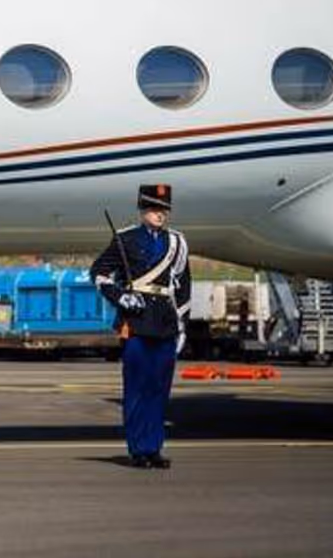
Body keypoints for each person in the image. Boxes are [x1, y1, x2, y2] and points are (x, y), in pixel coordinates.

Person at [90, 184, 191, 470]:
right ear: (143, 210)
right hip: (136, 322)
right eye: (155, 209)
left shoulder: (177, 243)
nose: (160, 214)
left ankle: (153, 448)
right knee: (137, 388)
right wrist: (121, 296)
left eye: (164, 210)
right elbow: (98, 273)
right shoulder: (126, 240)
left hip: (165, 322)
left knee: (159, 389)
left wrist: (182, 325)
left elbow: (183, 286)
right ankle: (138, 449)